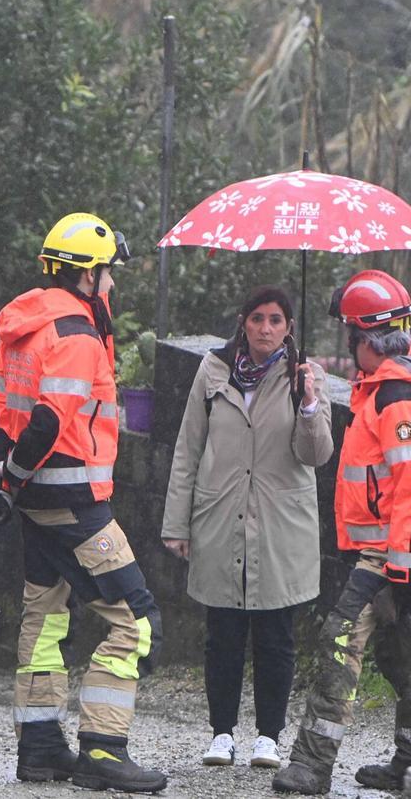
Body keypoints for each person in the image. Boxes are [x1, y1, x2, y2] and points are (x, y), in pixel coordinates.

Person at [0, 212, 167, 793]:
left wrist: (2, 482)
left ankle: (39, 751)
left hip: (35, 502)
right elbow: (48, 422)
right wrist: (11, 476)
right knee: (136, 623)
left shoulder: (26, 326)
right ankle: (104, 751)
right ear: (87, 277)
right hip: (74, 501)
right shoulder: (78, 335)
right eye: (108, 276)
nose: (112, 287)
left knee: (45, 618)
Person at [272, 269, 411, 795]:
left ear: (366, 340)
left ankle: (310, 764)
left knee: (338, 644)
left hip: (390, 553)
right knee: (406, 657)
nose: (348, 347)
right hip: (400, 551)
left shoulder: (397, 395)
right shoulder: (387, 386)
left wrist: (399, 563)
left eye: (351, 336)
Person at [162, 286, 334, 770]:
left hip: (280, 522)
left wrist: (307, 406)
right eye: (257, 318)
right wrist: (177, 523)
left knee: (276, 632)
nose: (265, 329)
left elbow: (316, 455)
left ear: (289, 327)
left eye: (276, 320)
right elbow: (187, 448)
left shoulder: (307, 376)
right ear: (243, 322)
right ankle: (222, 733)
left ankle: (268, 737)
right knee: (223, 631)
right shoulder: (214, 370)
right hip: (221, 516)